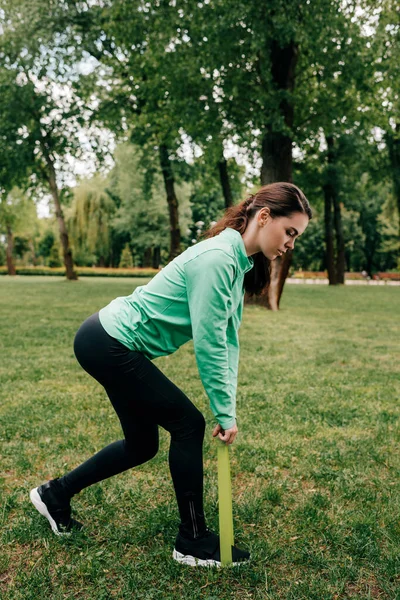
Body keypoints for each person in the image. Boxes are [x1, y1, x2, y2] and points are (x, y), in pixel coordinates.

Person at [30, 182, 311, 568]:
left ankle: (55, 495)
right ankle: (192, 540)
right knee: (188, 424)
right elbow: (210, 344)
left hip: (110, 341)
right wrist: (222, 413)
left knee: (142, 445)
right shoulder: (217, 260)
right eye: (290, 232)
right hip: (109, 342)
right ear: (264, 217)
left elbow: (228, 340)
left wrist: (228, 408)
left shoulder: (236, 261)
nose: (291, 243)